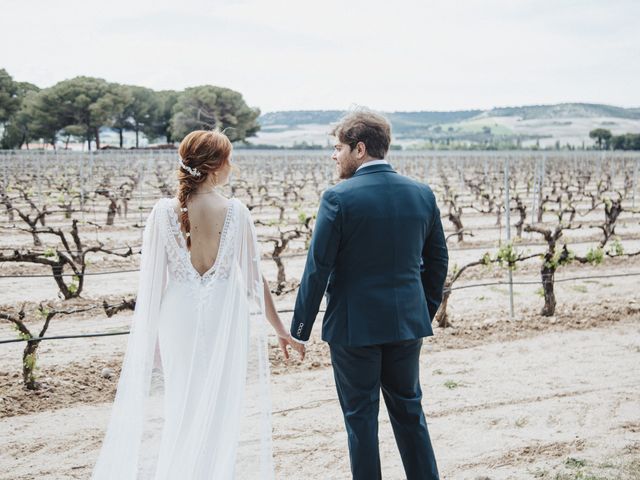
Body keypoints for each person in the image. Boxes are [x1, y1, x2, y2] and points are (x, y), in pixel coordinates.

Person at [91, 130, 297, 479]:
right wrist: (280, 329)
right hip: (224, 317)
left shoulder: (162, 213)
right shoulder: (236, 212)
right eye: (228, 158)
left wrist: (150, 337)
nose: (233, 165)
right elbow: (253, 279)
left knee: (181, 404)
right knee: (220, 407)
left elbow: (153, 286)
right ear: (215, 166)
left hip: (177, 317)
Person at [289, 110, 449, 480]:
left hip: (353, 329)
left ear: (359, 149)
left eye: (338, 148)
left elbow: (318, 268)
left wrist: (300, 330)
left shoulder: (337, 198)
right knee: (411, 414)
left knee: (360, 421)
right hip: (407, 325)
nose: (334, 156)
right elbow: (438, 259)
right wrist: (420, 309)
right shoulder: (422, 194)